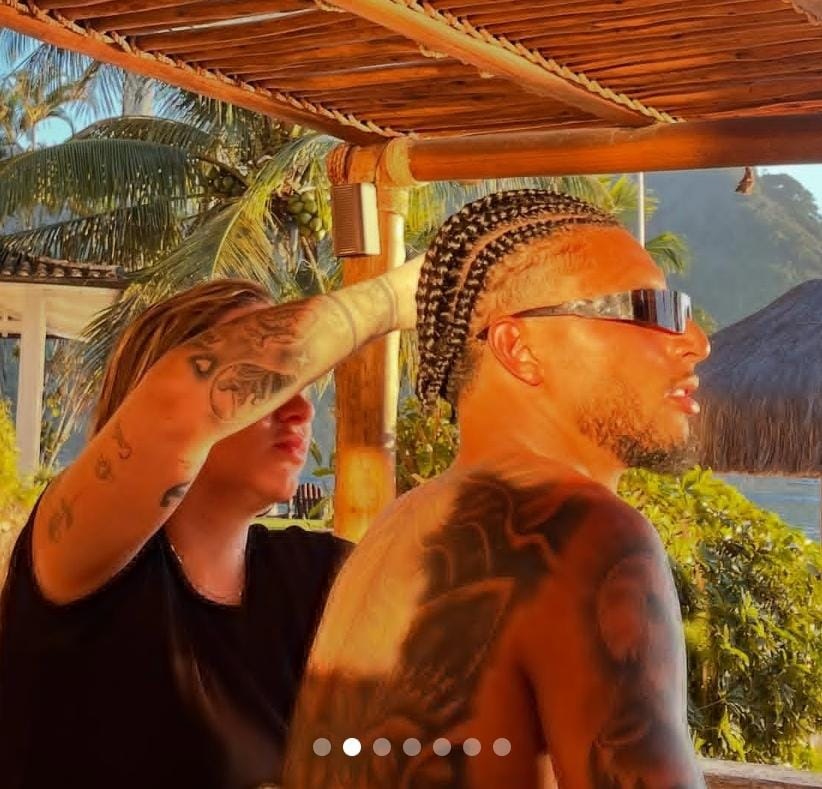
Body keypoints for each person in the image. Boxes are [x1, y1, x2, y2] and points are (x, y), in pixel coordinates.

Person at [284, 190, 711, 788]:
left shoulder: (398, 527)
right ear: (519, 347)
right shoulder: (581, 531)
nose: (696, 340)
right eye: (652, 308)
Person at [0, 258, 421, 789]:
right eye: (271, 386)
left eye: (302, 385)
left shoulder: (319, 576)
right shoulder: (79, 557)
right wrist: (403, 293)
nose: (301, 411)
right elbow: (179, 399)